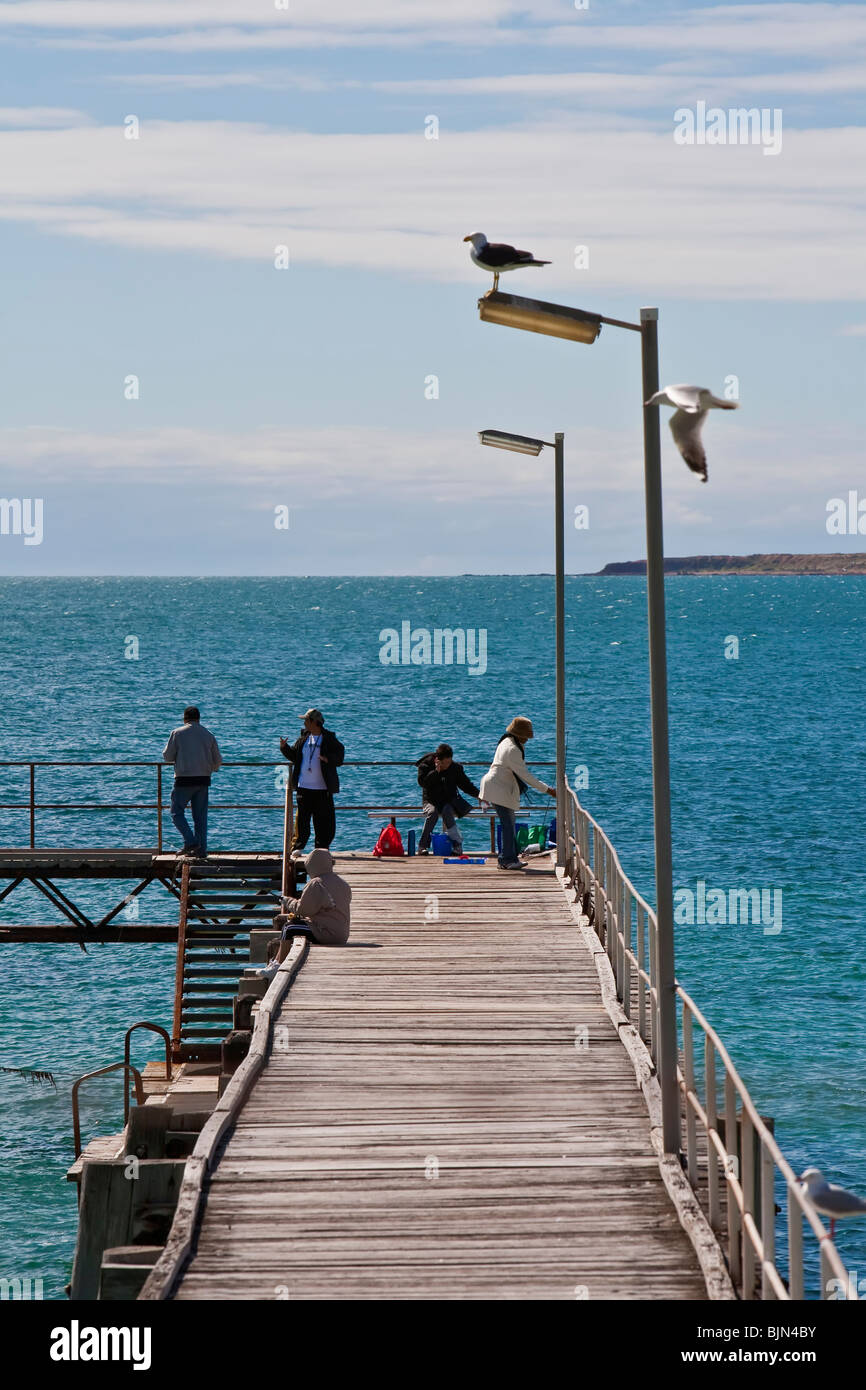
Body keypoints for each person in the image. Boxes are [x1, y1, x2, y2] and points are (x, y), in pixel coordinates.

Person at [478, 717, 555, 870]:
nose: (527, 739)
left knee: (509, 824)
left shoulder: (507, 741)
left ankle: (507, 859)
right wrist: (548, 790)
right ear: (518, 734)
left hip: (498, 787)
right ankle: (507, 860)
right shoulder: (512, 749)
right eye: (525, 736)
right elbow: (525, 775)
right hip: (497, 789)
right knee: (508, 824)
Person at [279, 708, 345, 854]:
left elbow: (340, 756)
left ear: (314, 722)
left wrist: (328, 759)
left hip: (322, 788)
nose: (304, 723)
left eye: (306, 720)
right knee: (302, 820)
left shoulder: (328, 738)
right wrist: (284, 748)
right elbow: (294, 757)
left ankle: (321, 850)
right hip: (303, 787)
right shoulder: (303, 738)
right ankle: (298, 847)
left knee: (323, 821)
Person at [162, 706, 223, 859]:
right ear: (199, 718)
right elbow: (218, 761)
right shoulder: (208, 734)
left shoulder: (177, 733)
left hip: (183, 780)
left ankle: (190, 841)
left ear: (184, 718)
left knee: (176, 812)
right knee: (200, 817)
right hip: (203, 780)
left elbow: (167, 756)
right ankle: (201, 850)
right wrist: (211, 769)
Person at [274, 848, 351, 949]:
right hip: (342, 935)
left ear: (312, 866)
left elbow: (303, 910)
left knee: (288, 928)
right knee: (296, 926)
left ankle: (279, 962)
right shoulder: (343, 883)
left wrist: (286, 901)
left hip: (327, 933)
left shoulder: (316, 884)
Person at [416, 744, 480, 856]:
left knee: (447, 811)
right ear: (437, 760)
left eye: (449, 762)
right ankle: (422, 846)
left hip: (449, 800)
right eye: (445, 763)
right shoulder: (425, 765)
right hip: (430, 800)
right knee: (432, 813)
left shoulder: (455, 768)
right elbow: (423, 783)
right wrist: (436, 772)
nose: (448, 765)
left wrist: (479, 795)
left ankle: (457, 845)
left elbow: (466, 785)